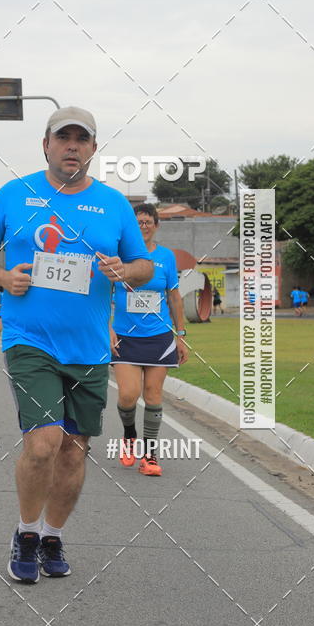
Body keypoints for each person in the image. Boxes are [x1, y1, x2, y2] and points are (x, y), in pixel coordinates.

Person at [0, 105, 153, 584]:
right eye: (62, 137)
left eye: (82, 139)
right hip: (30, 341)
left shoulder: (113, 204)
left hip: (88, 348)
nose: (72, 146)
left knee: (74, 450)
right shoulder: (15, 194)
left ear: (92, 149)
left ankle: (53, 536)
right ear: (46, 145)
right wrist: (3, 276)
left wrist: (124, 271)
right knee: (45, 444)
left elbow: (143, 266)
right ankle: (27, 533)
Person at [110, 204, 188, 476]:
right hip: (124, 338)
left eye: (148, 222)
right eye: (138, 222)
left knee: (153, 394)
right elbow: (101, 295)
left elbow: (174, 298)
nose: (143, 226)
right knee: (128, 395)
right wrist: (107, 329)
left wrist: (181, 335)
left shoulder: (166, 257)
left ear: (156, 225)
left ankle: (150, 456)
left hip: (159, 337)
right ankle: (129, 438)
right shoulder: (119, 255)